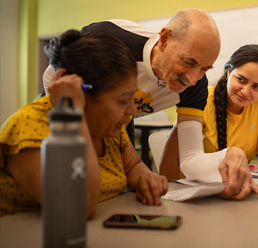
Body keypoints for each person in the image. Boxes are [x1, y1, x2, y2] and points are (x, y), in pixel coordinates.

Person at [42, 9, 258, 200]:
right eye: (188, 62)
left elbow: (190, 158)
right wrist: (73, 116)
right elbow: (54, 77)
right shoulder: (113, 42)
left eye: (204, 69)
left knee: (115, 185)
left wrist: (228, 155)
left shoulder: (195, 86)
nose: (193, 79)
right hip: (70, 110)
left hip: (117, 123)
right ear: (164, 39)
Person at [0, 30, 168, 217]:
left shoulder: (110, 127)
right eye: (122, 101)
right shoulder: (29, 126)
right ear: (81, 93)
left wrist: (145, 177)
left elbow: (132, 165)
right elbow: (77, 207)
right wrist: (74, 112)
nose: (131, 111)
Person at [162, 44, 258, 200]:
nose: (246, 91)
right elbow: (171, 160)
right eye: (241, 79)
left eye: (257, 87)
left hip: (232, 191)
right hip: (195, 195)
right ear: (228, 72)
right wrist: (170, 197)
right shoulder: (200, 100)